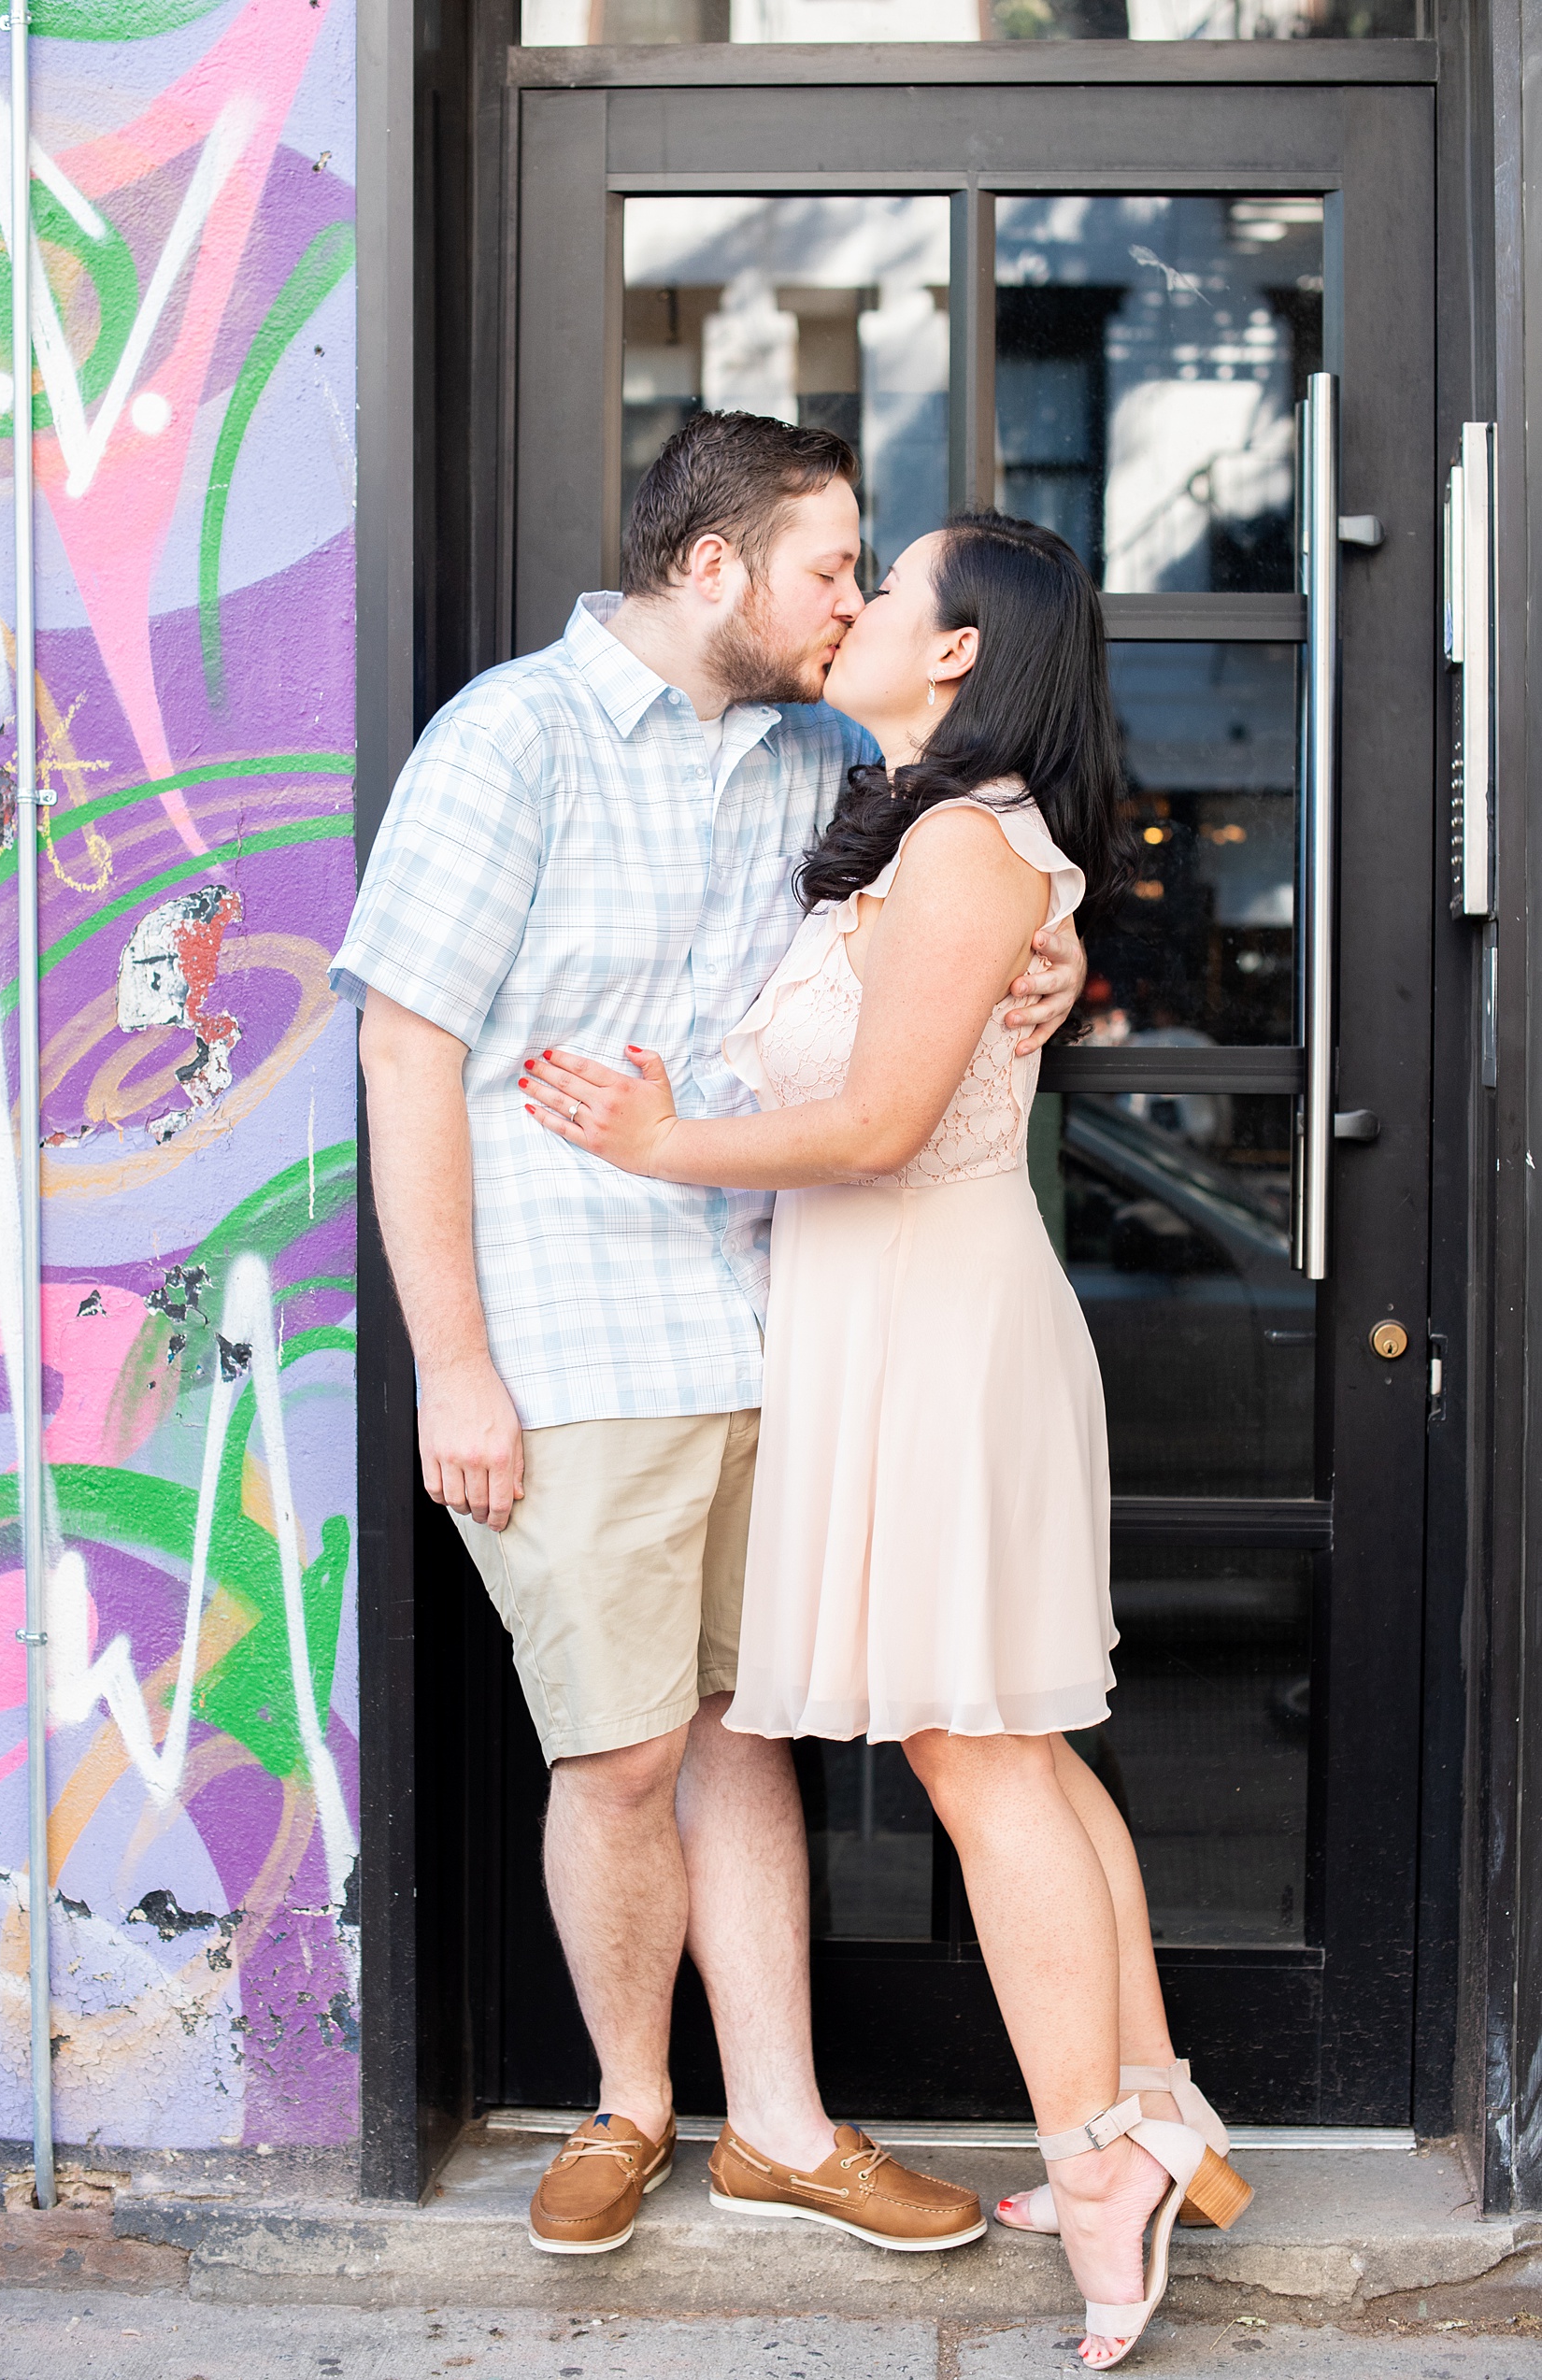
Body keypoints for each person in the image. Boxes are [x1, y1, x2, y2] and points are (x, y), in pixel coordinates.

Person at [329, 417, 1087, 2260]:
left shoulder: (831, 750)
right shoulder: (509, 740)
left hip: (780, 1318)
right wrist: (455, 1363)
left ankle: (780, 2125)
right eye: (830, 565)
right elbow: (405, 1052)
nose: (853, 596)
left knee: (756, 1730)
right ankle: (630, 2103)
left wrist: (1049, 964)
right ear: (710, 567)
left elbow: (944, 939)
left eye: (863, 574)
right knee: (621, 1750)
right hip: (573, 1334)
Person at [521, 514, 1252, 2369]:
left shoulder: (956, 840)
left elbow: (870, 1125)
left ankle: (1098, 2161)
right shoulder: (946, 829)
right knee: (1010, 1736)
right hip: (895, 1319)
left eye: (879, 586)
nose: (844, 609)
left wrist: (652, 1141)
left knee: (975, 1749)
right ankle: (1154, 2105)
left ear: (953, 650)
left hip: (933, 1326)